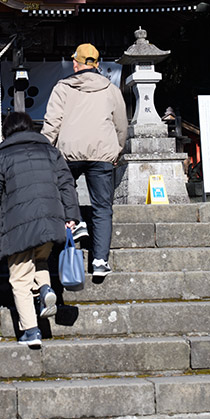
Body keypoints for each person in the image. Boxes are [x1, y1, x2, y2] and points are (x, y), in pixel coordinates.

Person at [0, 111, 81, 349]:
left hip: (18, 224)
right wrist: (71, 215)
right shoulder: (50, 151)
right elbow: (67, 184)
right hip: (50, 220)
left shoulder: (1, 156)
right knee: (40, 261)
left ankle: (31, 331)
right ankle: (45, 289)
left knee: (20, 279)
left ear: (8, 130)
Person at [41, 43, 127, 278]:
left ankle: (76, 222)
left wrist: (43, 150)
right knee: (102, 208)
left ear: (75, 64)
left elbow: (52, 123)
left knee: (64, 192)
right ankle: (99, 260)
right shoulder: (111, 89)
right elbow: (121, 124)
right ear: (97, 65)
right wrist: (116, 151)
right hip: (102, 155)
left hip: (68, 152)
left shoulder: (63, 87)